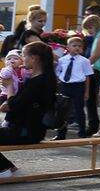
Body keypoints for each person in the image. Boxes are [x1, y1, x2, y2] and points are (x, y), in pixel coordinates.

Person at [0, 42, 58, 179]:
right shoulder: (45, 78)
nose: (22, 59)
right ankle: (11, 169)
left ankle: (3, 170)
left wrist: (9, 87)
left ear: (34, 58)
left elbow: (13, 105)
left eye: (24, 56)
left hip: (25, 131)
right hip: (32, 129)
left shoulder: (38, 81)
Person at [55, 36, 94, 141]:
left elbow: (87, 76)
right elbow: (58, 71)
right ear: (68, 47)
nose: (77, 48)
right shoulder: (62, 60)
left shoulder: (84, 61)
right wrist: (60, 79)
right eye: (74, 46)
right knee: (63, 110)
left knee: (79, 110)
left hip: (78, 86)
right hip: (65, 85)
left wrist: (87, 92)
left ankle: (82, 132)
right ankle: (61, 133)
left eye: (79, 46)